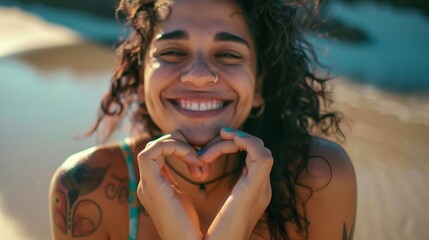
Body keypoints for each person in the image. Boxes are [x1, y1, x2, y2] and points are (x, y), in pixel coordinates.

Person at [49, 0, 357, 239]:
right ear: (141, 79)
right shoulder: (84, 187)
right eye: (171, 52)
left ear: (260, 84)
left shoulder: (321, 180)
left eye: (228, 54)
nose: (198, 76)